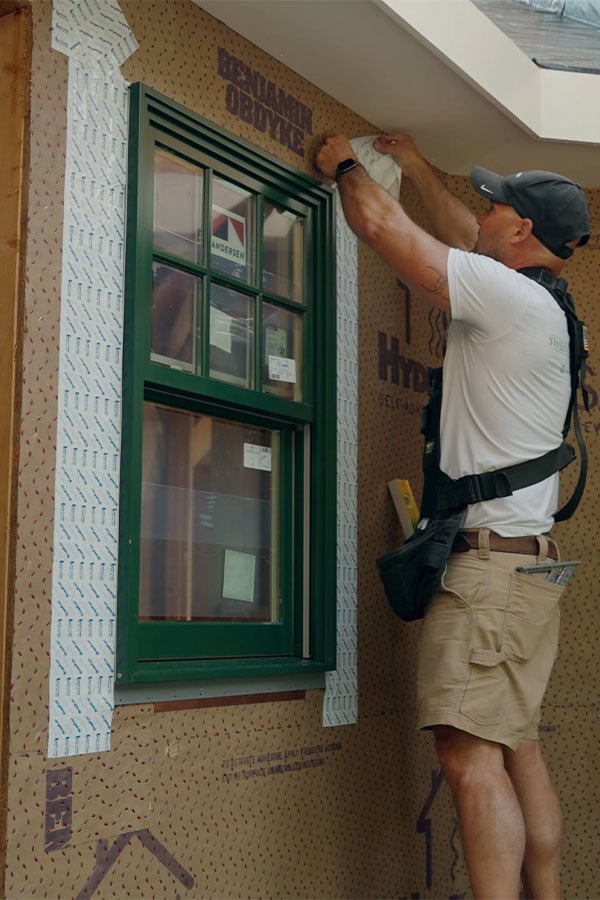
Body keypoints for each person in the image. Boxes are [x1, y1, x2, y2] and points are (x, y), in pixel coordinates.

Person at [314, 133, 590, 900]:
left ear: (523, 232)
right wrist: (412, 161)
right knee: (517, 746)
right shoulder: (549, 306)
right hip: (527, 566)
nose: (483, 213)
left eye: (496, 205)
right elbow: (465, 236)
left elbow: (382, 229)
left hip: (487, 576)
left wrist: (347, 165)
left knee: (469, 762)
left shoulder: (507, 297)